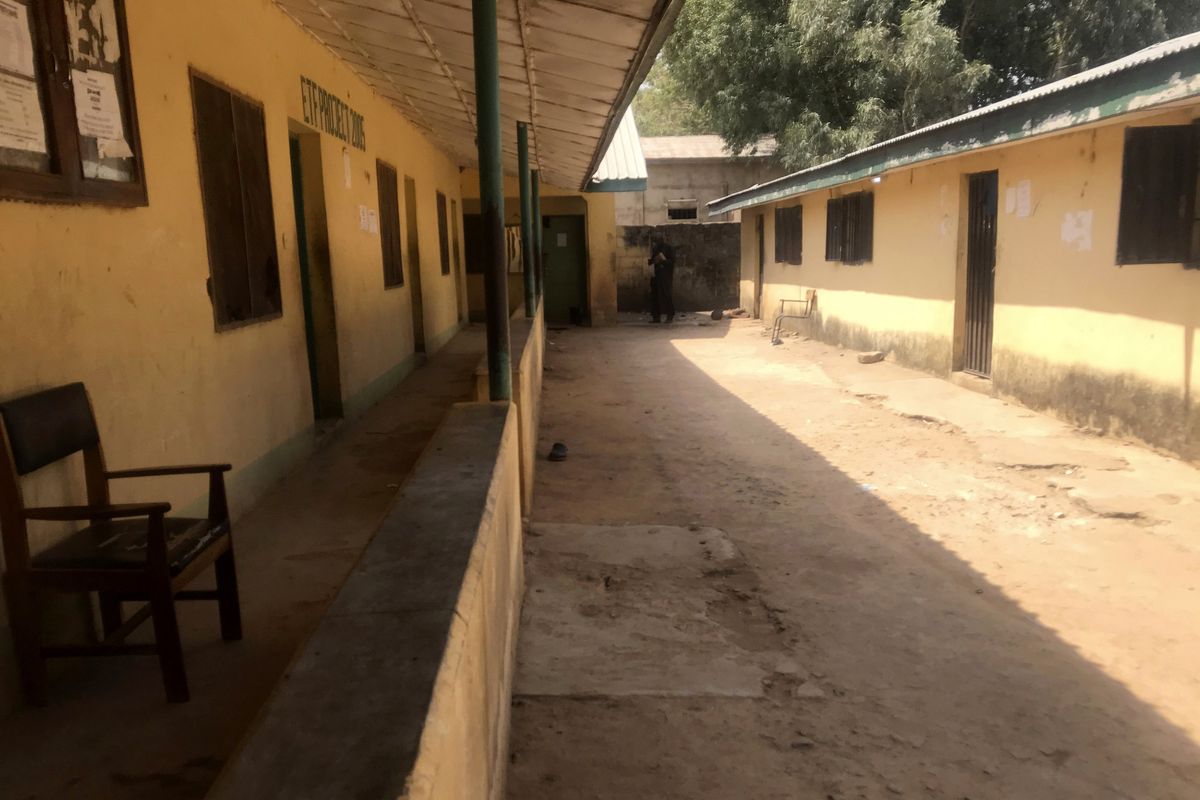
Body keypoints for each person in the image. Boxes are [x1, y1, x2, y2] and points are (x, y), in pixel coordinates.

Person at [648, 236, 675, 323]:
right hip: (656, 275)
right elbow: (651, 262)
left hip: (665, 276)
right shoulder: (655, 249)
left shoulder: (669, 248)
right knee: (655, 296)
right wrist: (653, 261)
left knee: (666, 295)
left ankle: (670, 316)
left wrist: (663, 260)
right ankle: (656, 317)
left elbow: (671, 262)